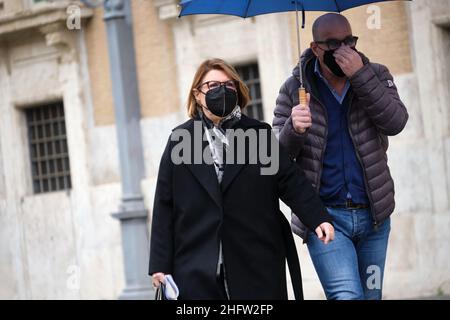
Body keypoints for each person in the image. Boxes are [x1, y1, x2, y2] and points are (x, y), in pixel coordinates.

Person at [149, 58, 334, 300]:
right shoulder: (180, 139)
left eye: (229, 85)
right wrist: (160, 263)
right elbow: (165, 203)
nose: (222, 90)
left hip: (256, 261)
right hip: (198, 266)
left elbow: (290, 180)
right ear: (197, 95)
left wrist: (318, 217)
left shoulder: (258, 134)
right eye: (213, 84)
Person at [273, 13, 408, 300]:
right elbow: (277, 158)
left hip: (374, 217)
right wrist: (293, 129)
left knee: (371, 296)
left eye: (350, 41)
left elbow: (395, 122)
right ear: (316, 48)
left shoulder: (377, 75)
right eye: (334, 45)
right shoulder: (294, 89)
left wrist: (360, 76)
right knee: (346, 296)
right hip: (325, 220)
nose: (344, 50)